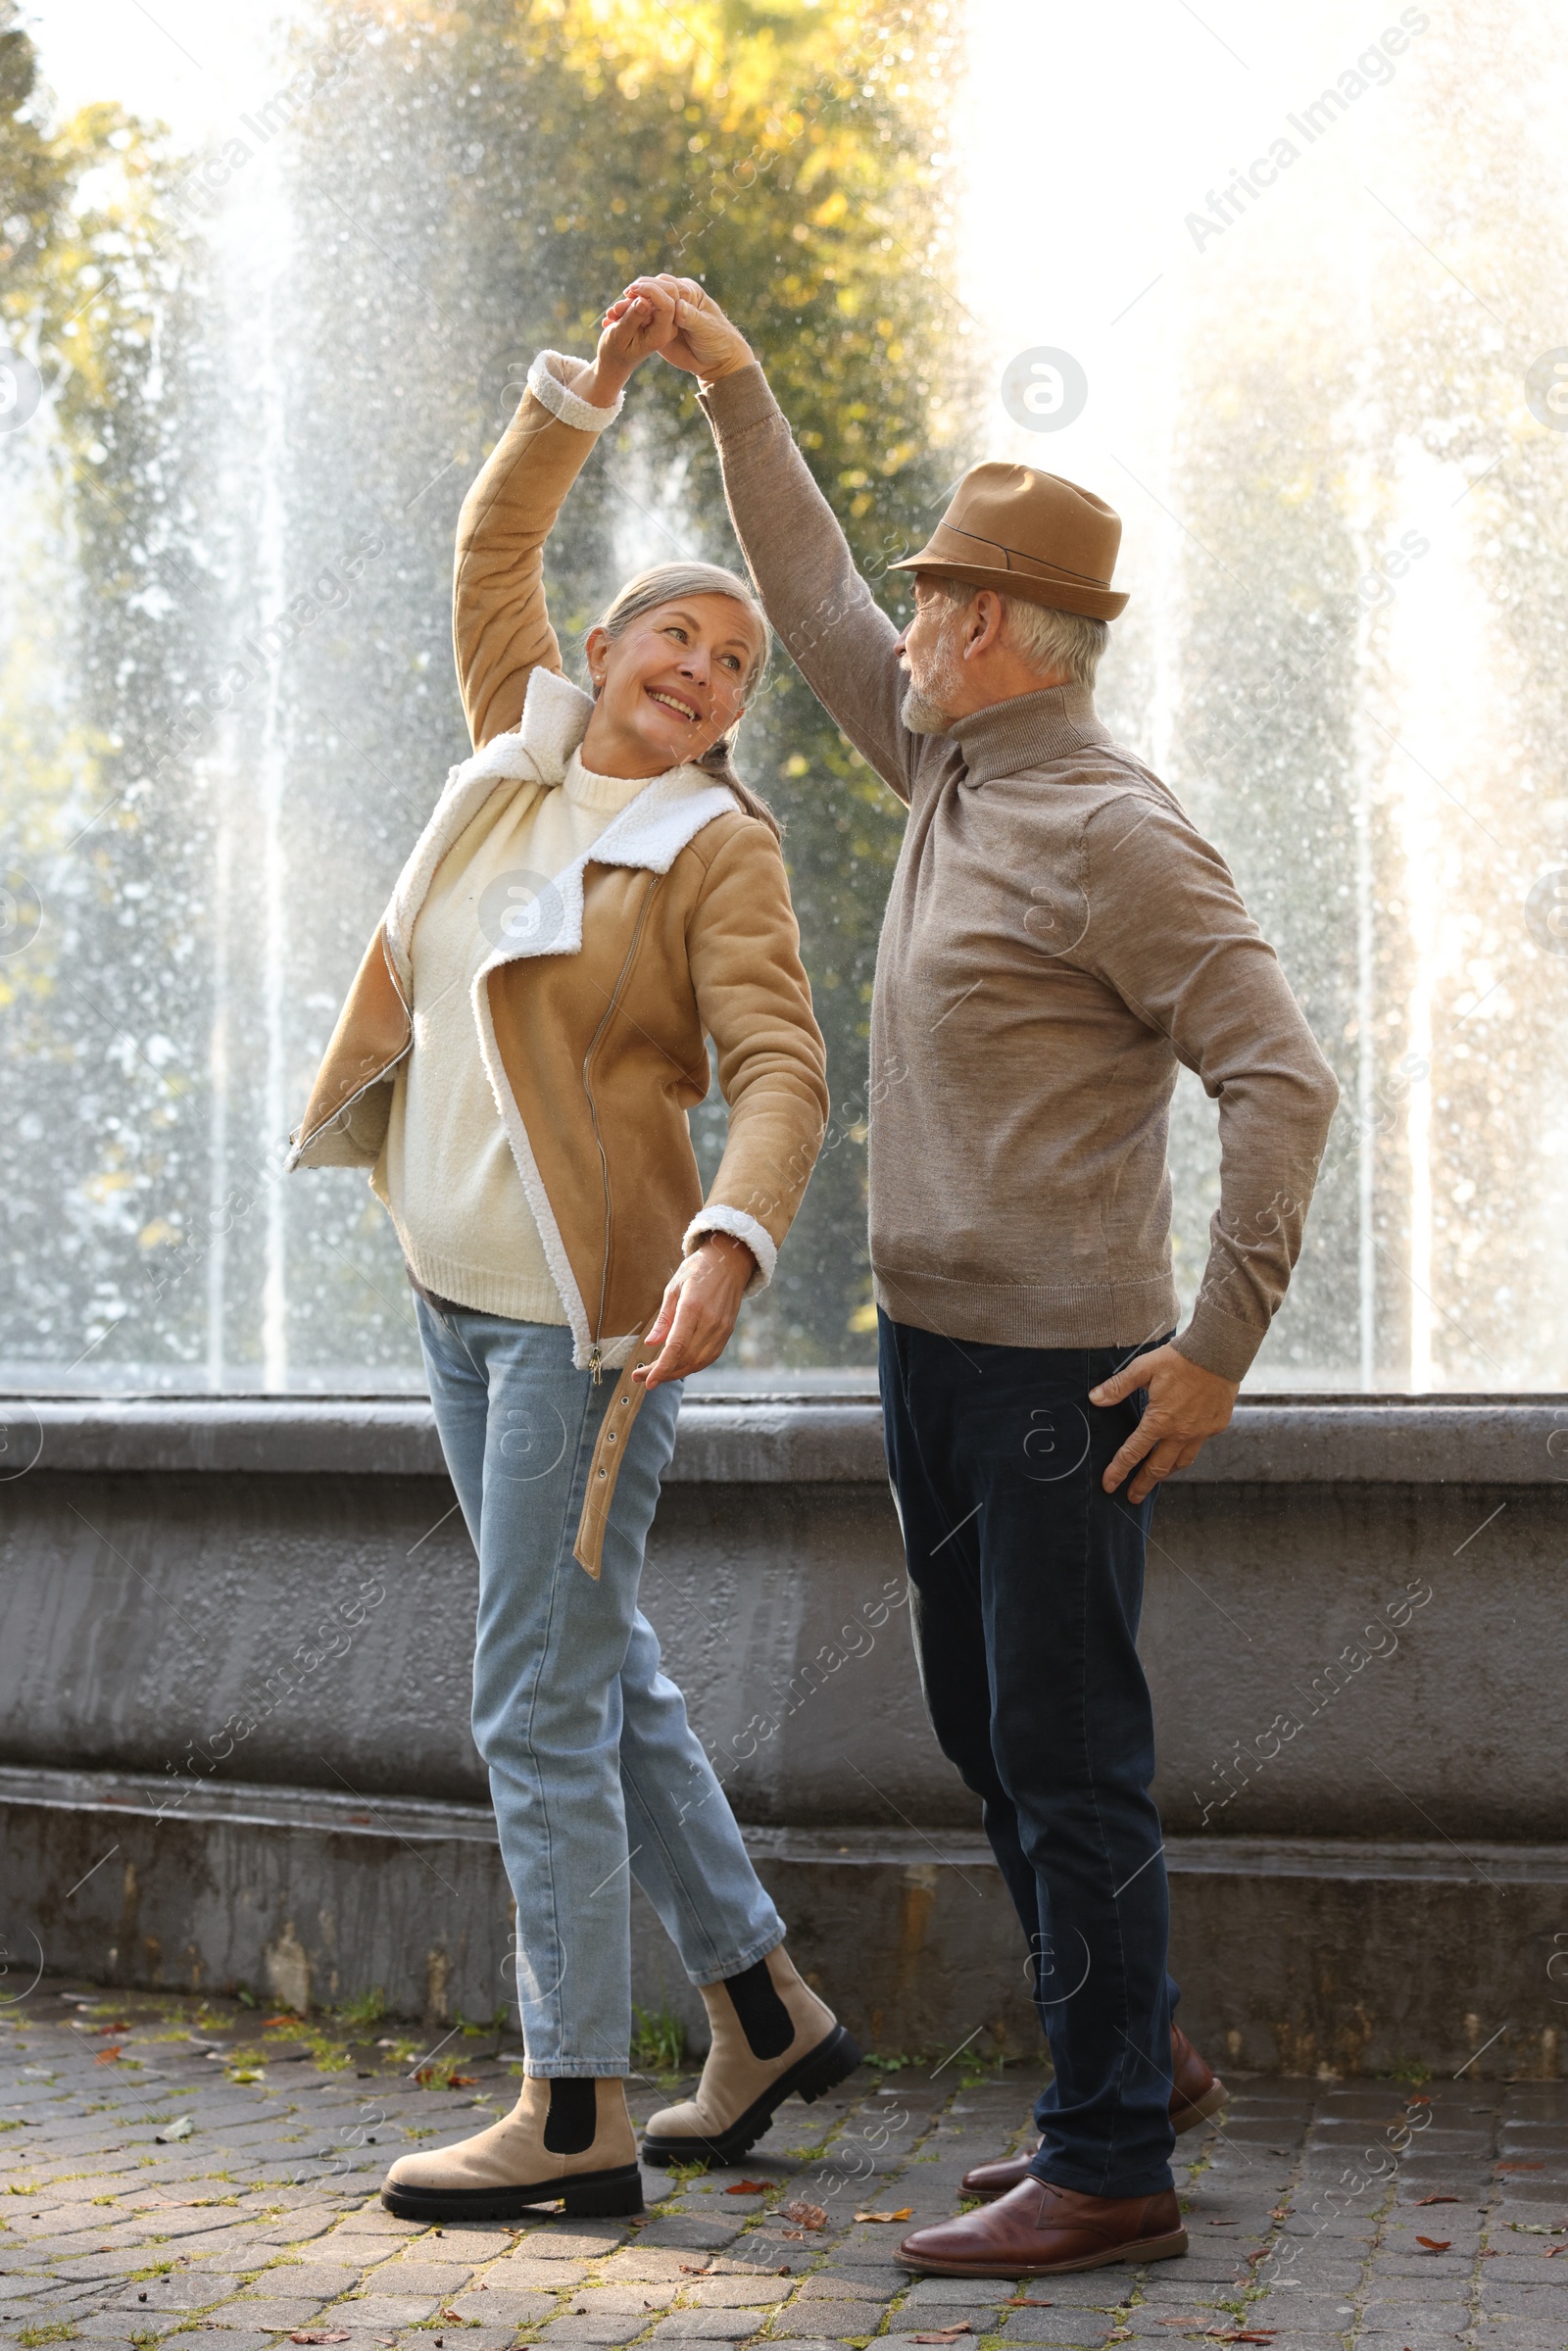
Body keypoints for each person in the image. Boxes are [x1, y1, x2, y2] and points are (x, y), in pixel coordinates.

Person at [606, 273, 1341, 2278]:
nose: (897, 633)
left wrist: (1210, 1352)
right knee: (991, 1738)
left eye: (936, 608)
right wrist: (735, 383)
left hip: (1056, 1382)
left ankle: (1106, 2161)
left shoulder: (1111, 830)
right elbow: (816, 584)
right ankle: (1139, 2054)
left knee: (1071, 1760)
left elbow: (1279, 1078)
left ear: (999, 636)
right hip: (935, 1361)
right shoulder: (947, 767)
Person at [287, 291, 859, 2222]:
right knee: (592, 1669)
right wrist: (587, 394)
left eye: (733, 658)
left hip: (586, 1326)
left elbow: (781, 1067)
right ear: (596, 649)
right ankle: (761, 2004)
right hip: (453, 1301)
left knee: (530, 1693)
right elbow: (489, 543)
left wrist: (728, 1233)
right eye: (671, 634)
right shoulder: (510, 749)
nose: (700, 666)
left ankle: (570, 2107)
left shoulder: (714, 850)